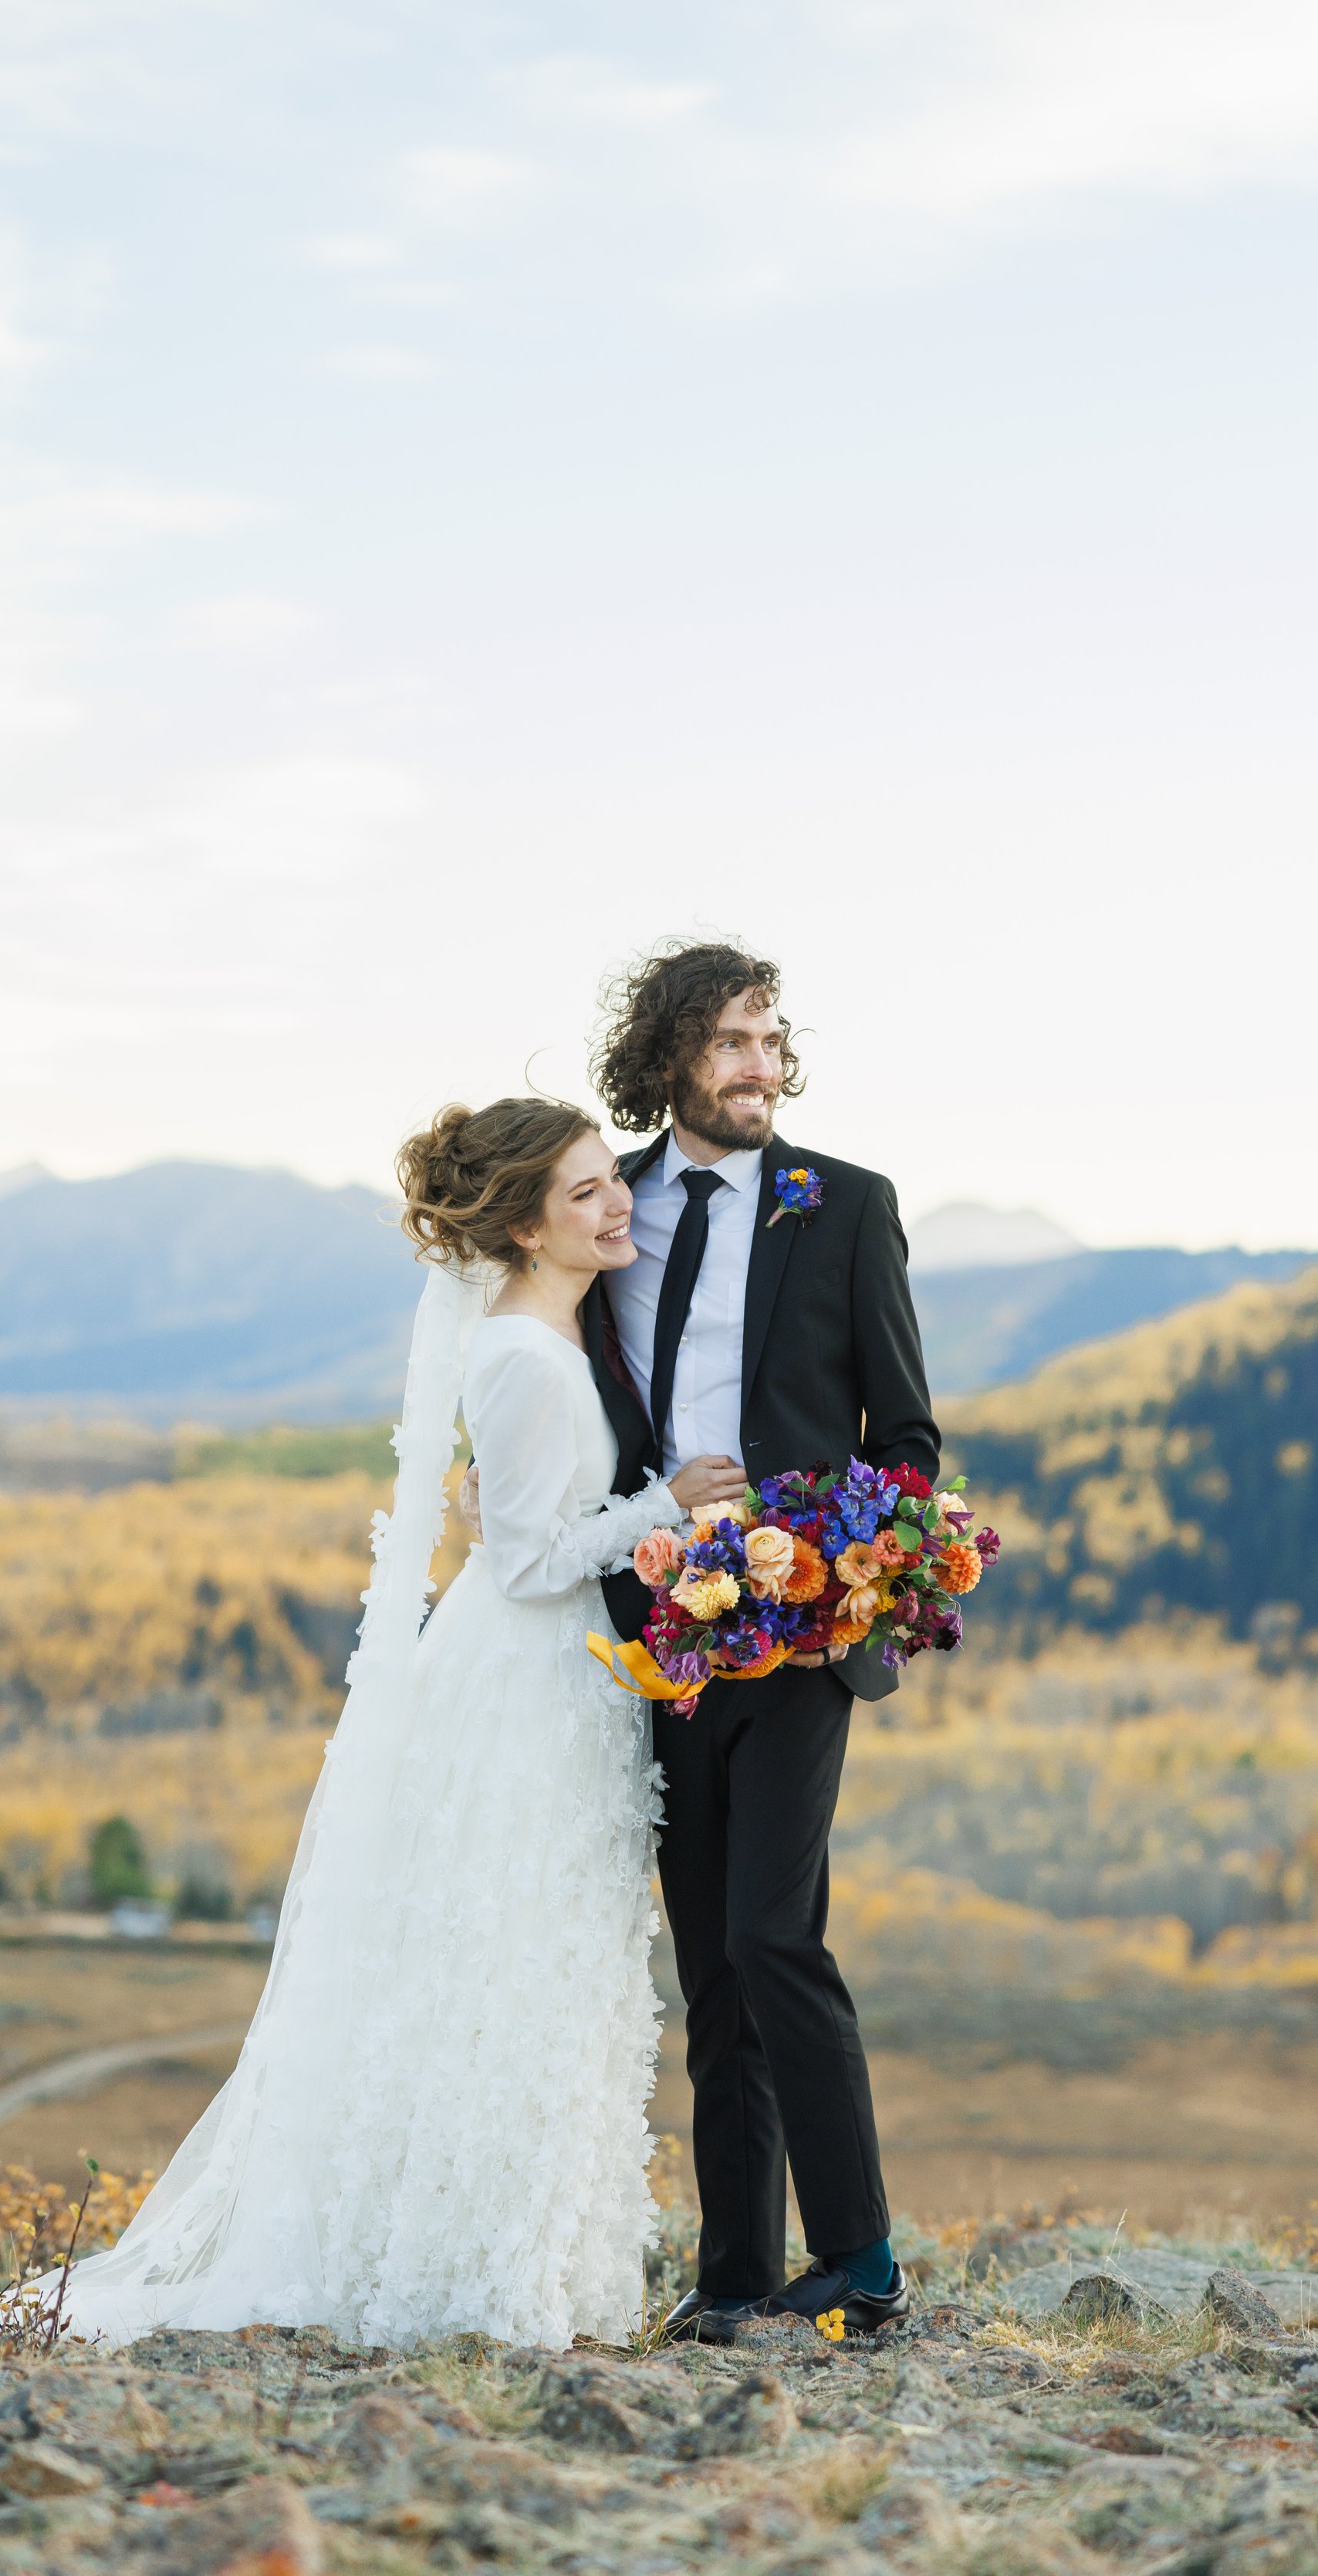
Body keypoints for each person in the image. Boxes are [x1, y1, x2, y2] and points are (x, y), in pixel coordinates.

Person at [46, 1098, 742, 2351]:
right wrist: (670, 1503)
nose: (613, 1204)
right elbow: (530, 1564)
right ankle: (462, 2272)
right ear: (526, 1228)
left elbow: (511, 1522)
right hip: (526, 1685)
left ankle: (518, 2261)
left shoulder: (552, 1334)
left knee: (540, 1961)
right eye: (582, 1193)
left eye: (607, 1181)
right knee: (504, 1955)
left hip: (561, 1683)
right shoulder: (526, 1357)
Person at [469, 942, 941, 2341]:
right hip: (652, 1638)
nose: (758, 1065)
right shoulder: (607, 1203)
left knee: (773, 1937)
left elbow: (905, 1435)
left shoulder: (847, 1206)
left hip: (798, 1629)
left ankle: (860, 2259)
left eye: (769, 1039)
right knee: (713, 1972)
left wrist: (863, 1564)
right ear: (671, 1058)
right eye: (729, 1042)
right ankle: (736, 2276)